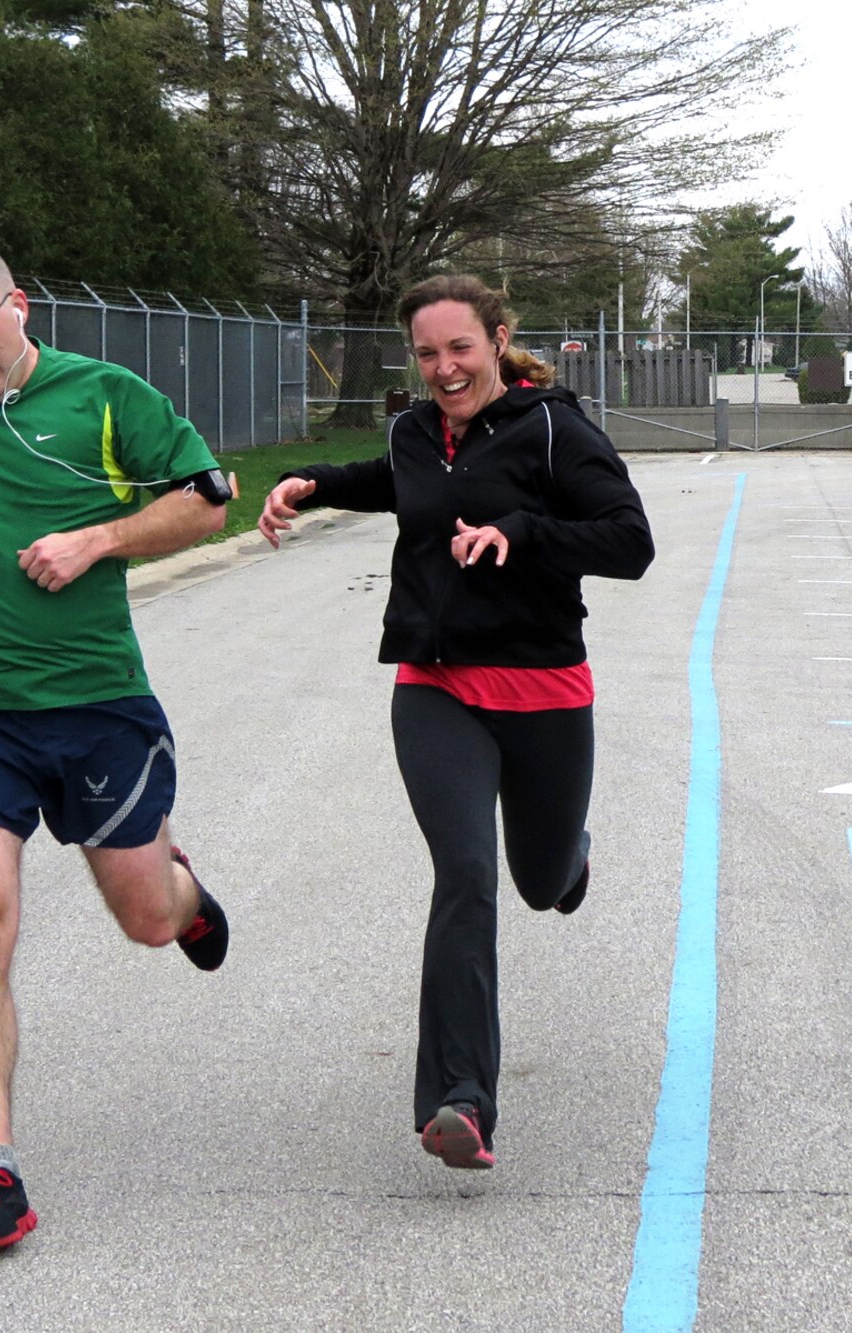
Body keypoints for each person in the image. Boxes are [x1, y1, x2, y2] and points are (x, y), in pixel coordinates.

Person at [0, 244, 236, 1256]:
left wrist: (98, 540)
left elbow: (209, 497)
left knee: (148, 922)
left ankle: (182, 889)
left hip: (93, 702)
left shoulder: (105, 395)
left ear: (18, 306)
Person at [258, 274, 653, 1170]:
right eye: (428, 353)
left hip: (546, 688)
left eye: (460, 348)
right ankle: (462, 1098)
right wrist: (308, 482)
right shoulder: (411, 430)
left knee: (540, 881)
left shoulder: (555, 427)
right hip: (435, 686)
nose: (443, 368)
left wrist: (525, 530)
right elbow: (394, 481)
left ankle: (569, 860)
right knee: (466, 875)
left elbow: (631, 541)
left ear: (497, 339)